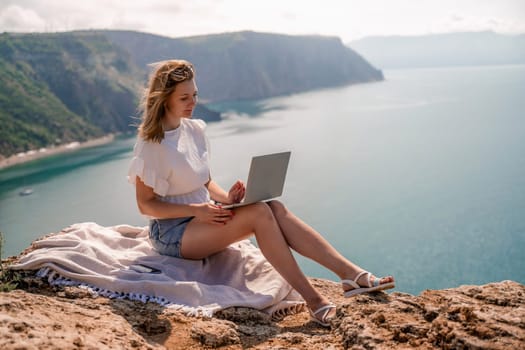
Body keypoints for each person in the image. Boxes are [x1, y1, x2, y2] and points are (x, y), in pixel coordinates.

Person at [128, 59, 395, 327]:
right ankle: (315, 302)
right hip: (173, 233)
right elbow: (146, 205)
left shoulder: (194, 130)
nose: (192, 101)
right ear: (164, 99)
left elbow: (205, 182)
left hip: (205, 217)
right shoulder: (152, 143)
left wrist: (227, 199)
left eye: (194, 94)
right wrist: (196, 210)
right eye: (184, 97)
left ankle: (350, 274)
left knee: (274, 207)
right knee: (259, 213)